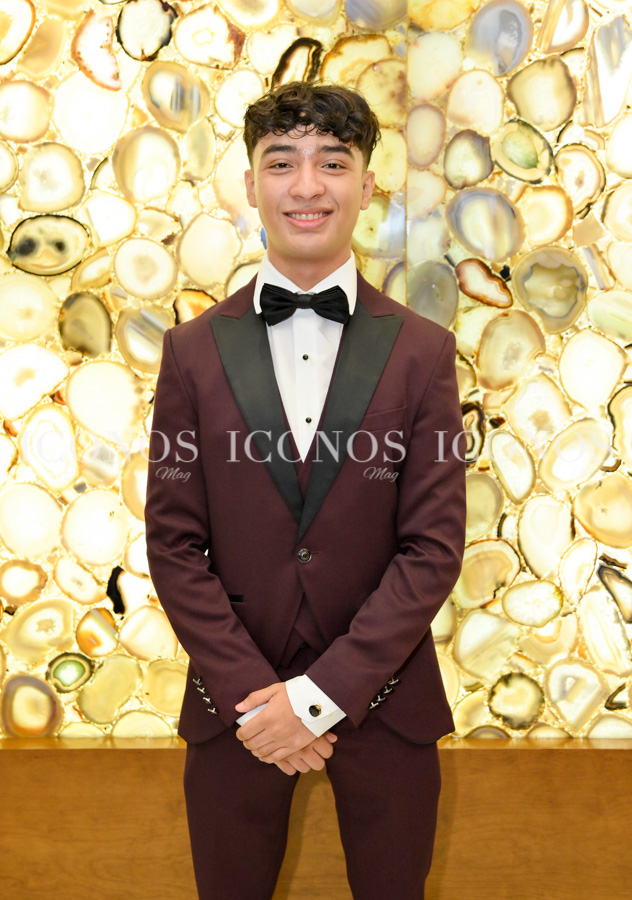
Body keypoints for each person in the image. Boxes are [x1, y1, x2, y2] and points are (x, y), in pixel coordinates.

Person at [144, 80, 466, 900]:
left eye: (333, 161)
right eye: (281, 162)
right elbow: (173, 545)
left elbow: (433, 549)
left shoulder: (425, 351)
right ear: (250, 183)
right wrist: (260, 704)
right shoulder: (189, 351)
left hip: (386, 699)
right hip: (235, 706)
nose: (307, 185)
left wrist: (319, 698)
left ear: (367, 183)